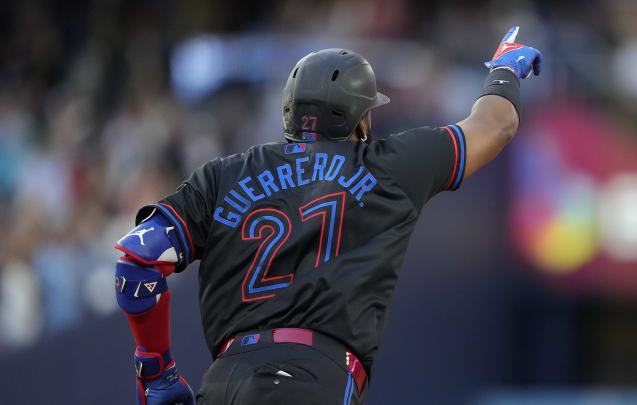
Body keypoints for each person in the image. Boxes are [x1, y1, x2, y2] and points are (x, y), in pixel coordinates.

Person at [113, 26, 542, 405]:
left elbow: (136, 264)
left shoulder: (222, 175)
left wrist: (158, 373)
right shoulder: (389, 165)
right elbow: (496, 125)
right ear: (361, 117)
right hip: (315, 377)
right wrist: (504, 69)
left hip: (225, 380)